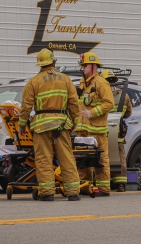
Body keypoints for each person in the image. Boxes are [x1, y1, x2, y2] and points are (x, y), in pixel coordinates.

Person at [19, 48, 82, 201]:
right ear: (54, 62)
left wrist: (22, 126)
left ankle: (47, 193)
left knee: (43, 159)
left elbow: (26, 107)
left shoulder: (33, 82)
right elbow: (74, 103)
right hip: (62, 124)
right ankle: (73, 192)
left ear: (40, 64)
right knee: (66, 157)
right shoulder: (65, 79)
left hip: (41, 126)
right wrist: (76, 122)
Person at [75, 52, 114, 196]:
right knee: (82, 158)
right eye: (82, 66)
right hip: (82, 129)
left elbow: (109, 103)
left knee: (100, 158)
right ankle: (84, 186)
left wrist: (92, 113)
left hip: (96, 129)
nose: (83, 68)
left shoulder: (101, 83)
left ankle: (104, 189)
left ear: (93, 66)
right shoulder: (82, 83)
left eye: (85, 65)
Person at [101, 69, 132, 192]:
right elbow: (128, 113)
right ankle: (121, 184)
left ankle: (103, 182)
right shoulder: (124, 95)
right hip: (117, 130)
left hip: (101, 129)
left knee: (102, 155)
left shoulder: (100, 93)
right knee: (120, 157)